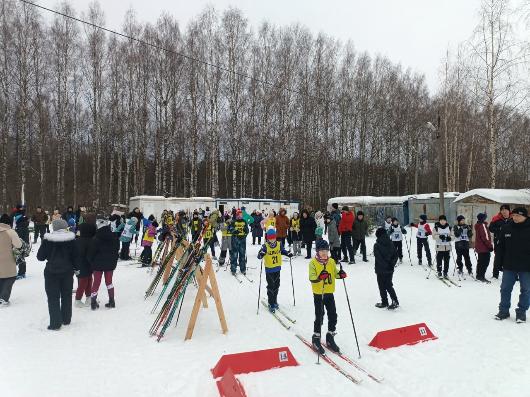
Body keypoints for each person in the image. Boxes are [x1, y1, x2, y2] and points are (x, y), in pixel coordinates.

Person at [36, 219, 77, 330]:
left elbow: (40, 257)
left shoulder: (48, 240)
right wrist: (77, 268)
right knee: (67, 296)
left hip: (51, 272)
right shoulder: (71, 240)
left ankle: (55, 323)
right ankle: (66, 319)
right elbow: (76, 257)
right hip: (67, 272)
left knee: (53, 297)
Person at [309, 239, 346, 354]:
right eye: (321, 251)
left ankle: (330, 336)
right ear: (317, 251)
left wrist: (340, 274)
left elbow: (334, 273)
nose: (324, 253)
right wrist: (320, 277)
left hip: (329, 292)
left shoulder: (331, 262)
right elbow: (312, 278)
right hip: (319, 293)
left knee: (333, 315)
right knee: (319, 315)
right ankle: (316, 338)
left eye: (326, 250)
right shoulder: (313, 263)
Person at [494, 207, 530, 323]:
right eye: (514, 215)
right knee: (505, 289)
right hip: (509, 265)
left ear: (525, 216)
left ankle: (521, 312)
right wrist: (498, 263)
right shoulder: (506, 228)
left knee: (526, 290)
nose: (515, 218)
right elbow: (500, 248)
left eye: (518, 216)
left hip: (526, 266)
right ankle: (503, 311)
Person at [257, 228, 292, 312]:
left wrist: (288, 253)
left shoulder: (279, 244)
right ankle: (270, 302)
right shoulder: (265, 246)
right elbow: (259, 256)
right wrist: (261, 254)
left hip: (277, 268)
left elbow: (282, 251)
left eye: (273, 237)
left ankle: (275, 300)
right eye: (270, 237)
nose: (272, 239)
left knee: (276, 285)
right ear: (267, 238)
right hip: (269, 269)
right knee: (271, 286)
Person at [88, 218, 120, 310]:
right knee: (109, 282)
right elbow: (117, 249)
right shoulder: (114, 236)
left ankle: (93, 302)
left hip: (97, 265)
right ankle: (112, 301)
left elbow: (91, 253)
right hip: (110, 264)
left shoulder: (95, 238)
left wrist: (91, 262)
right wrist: (114, 259)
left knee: (96, 283)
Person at [0, 214, 23, 307]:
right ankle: (3, 298)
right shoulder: (11, 232)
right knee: (10, 277)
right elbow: (18, 245)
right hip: (8, 259)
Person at [374, 227, 399, 309]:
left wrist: (385, 266)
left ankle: (385, 302)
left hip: (381, 269)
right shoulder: (391, 243)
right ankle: (395, 301)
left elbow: (379, 258)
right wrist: (391, 264)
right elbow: (396, 255)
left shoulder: (377, 245)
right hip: (390, 269)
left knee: (381, 286)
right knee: (388, 285)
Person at [75, 223, 96, 307]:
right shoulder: (90, 241)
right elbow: (89, 255)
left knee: (89, 280)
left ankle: (88, 297)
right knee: (83, 282)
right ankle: (77, 299)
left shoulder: (78, 240)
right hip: (83, 265)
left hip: (82, 265)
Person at [489, 204, 512, 280]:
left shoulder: (513, 218)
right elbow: (491, 228)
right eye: (502, 210)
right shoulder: (496, 219)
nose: (504, 211)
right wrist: (499, 229)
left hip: (510, 242)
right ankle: (495, 275)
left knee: (510, 258)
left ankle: (510, 275)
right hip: (499, 241)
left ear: (509, 211)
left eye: (506, 210)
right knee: (498, 258)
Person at [474, 213, 493, 282]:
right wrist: (490, 246)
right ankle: (481, 276)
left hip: (480, 247)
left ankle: (479, 275)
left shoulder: (478, 225)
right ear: (483, 218)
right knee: (485, 262)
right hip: (484, 248)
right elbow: (486, 237)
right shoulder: (482, 225)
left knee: (480, 262)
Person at [229, 210, 249, 275]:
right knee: (234, 255)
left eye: (241, 215)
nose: (240, 216)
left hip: (242, 240)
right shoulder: (233, 221)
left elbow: (247, 230)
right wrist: (235, 231)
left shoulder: (244, 221)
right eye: (239, 215)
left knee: (242, 255)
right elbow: (230, 229)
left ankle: (243, 269)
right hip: (235, 240)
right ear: (237, 215)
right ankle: (233, 269)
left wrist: (245, 231)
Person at [13, 206, 29, 279]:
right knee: (21, 257)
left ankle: (22, 273)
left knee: (20, 258)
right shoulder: (23, 225)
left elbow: (19, 237)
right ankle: (22, 272)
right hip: (24, 244)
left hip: (20, 244)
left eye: (16, 219)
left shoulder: (20, 227)